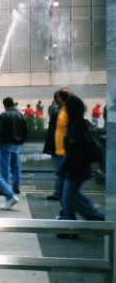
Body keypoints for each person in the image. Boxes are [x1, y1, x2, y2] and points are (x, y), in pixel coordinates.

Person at [56, 95, 104, 238]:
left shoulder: (75, 128)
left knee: (68, 199)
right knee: (73, 198)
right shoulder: (78, 125)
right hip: (78, 169)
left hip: (76, 170)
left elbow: (73, 154)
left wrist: (63, 170)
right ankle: (96, 222)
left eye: (67, 108)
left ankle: (74, 228)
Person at [43, 88, 71, 201]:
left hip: (62, 148)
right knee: (61, 172)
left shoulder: (63, 111)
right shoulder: (60, 111)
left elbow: (53, 131)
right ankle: (61, 193)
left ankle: (59, 193)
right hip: (60, 148)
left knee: (61, 172)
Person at [0, 97, 28, 194]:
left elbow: (0, 131)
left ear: (5, 105)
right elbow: (25, 130)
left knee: (5, 167)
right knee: (16, 166)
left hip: (5, 144)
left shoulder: (3, 115)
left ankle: (5, 188)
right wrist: (21, 141)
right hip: (16, 144)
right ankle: (16, 187)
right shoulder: (20, 115)